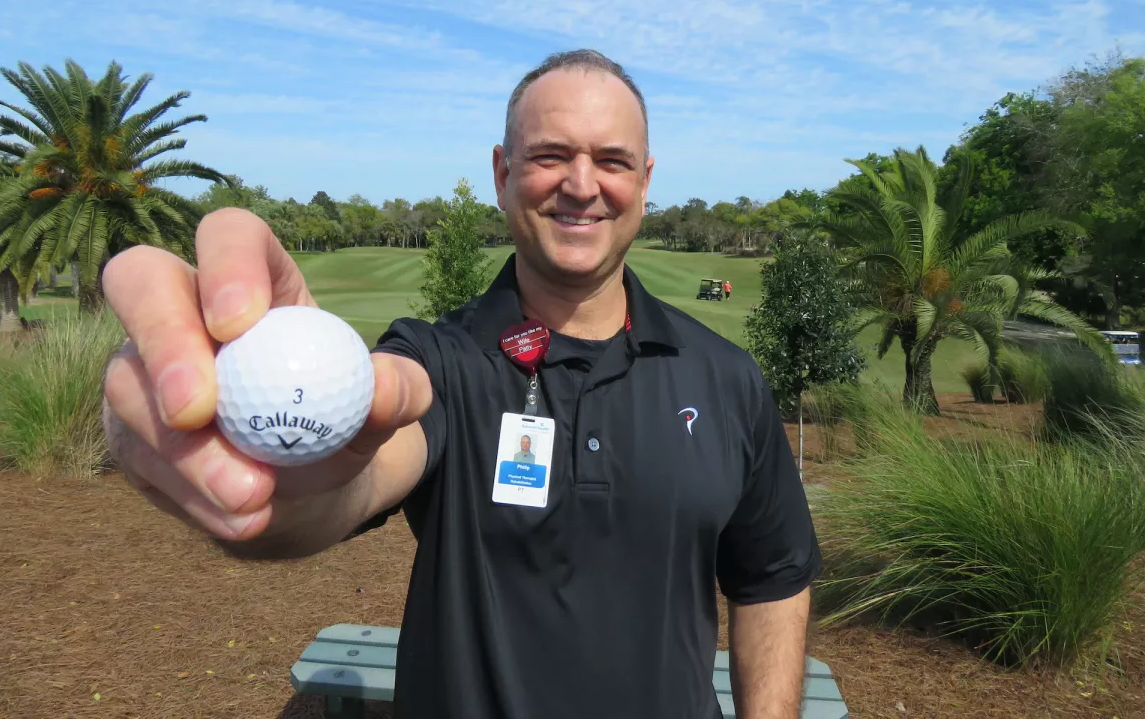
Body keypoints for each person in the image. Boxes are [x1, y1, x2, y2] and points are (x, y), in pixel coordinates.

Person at [100, 49, 821, 719]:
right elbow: (354, 475)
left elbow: (773, 577)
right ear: (503, 173)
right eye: (549, 156)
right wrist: (268, 486)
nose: (581, 183)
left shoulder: (725, 377)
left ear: (645, 181)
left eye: (611, 160)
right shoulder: (439, 360)